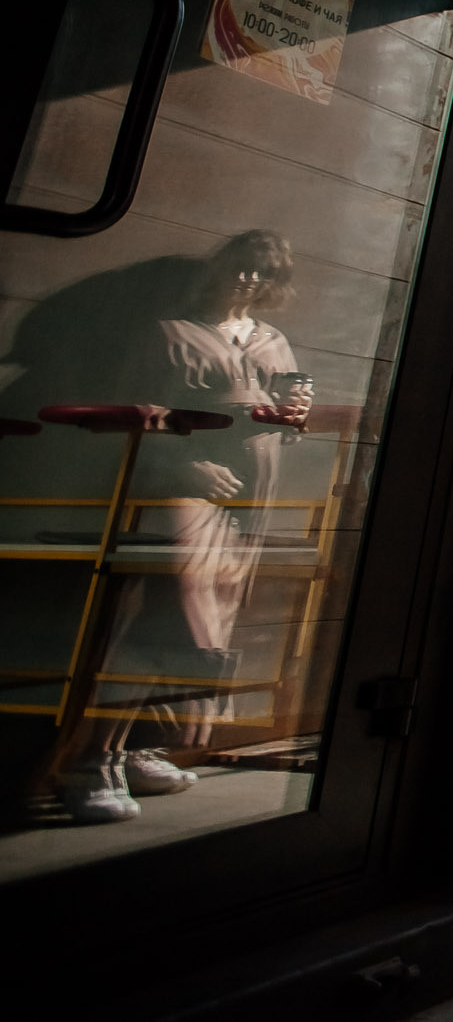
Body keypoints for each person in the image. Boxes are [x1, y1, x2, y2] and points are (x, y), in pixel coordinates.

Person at [53, 230, 312, 823]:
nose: (248, 280)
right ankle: (90, 761)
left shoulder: (273, 341)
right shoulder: (170, 333)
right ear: (218, 269)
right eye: (241, 267)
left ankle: (142, 745)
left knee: (210, 619)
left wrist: (293, 418)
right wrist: (180, 463)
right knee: (170, 611)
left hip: (250, 499)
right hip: (182, 488)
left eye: (262, 273)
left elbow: (287, 407)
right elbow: (133, 410)